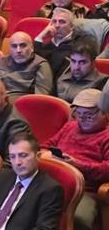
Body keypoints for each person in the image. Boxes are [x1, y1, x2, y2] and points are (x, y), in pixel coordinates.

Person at [44, 89, 109, 230]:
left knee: (78, 218)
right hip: (53, 183)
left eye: (88, 115)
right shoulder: (70, 126)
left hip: (85, 191)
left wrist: (77, 165)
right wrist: (46, 154)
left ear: (104, 113)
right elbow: (46, 146)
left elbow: (107, 169)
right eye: (79, 114)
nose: (82, 119)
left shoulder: (106, 136)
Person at [34, 8, 97, 78]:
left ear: (72, 26)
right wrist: (40, 36)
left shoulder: (81, 41)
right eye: (54, 21)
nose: (57, 25)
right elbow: (33, 64)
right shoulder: (46, 43)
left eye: (62, 22)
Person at [0, 32, 54, 100]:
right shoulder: (1, 62)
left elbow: (40, 98)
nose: (18, 50)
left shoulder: (41, 64)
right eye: (14, 46)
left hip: (22, 103)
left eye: (23, 46)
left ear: (32, 47)